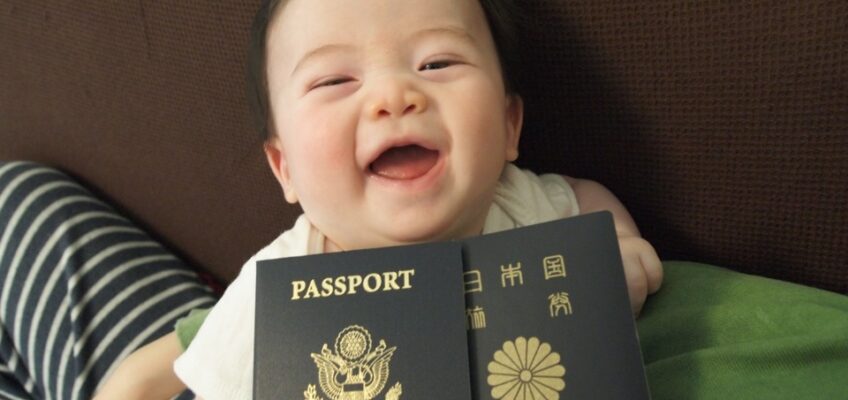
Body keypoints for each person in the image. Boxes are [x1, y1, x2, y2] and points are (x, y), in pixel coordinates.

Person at [95, 0, 663, 398]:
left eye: (436, 63)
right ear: (285, 168)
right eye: (334, 81)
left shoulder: (522, 211)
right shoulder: (274, 293)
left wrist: (618, 239)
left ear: (509, 127)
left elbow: (584, 197)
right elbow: (145, 379)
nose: (394, 96)